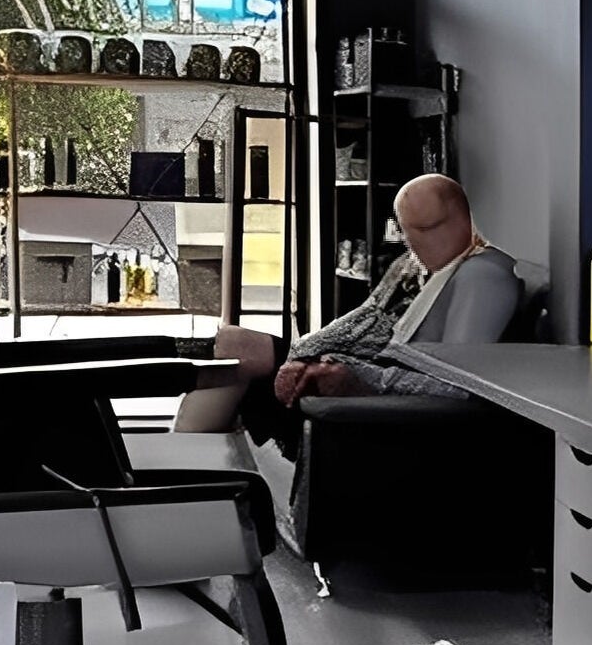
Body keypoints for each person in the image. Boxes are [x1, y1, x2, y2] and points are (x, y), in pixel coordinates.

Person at [174, 173, 521, 451]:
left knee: (237, 352)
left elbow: (459, 389)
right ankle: (188, 463)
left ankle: (185, 468)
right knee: (232, 344)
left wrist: (352, 376)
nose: (419, 243)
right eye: (409, 231)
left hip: (367, 391)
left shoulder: (481, 276)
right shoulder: (411, 264)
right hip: (333, 360)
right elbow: (363, 317)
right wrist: (306, 349)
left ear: (464, 218)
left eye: (431, 228)